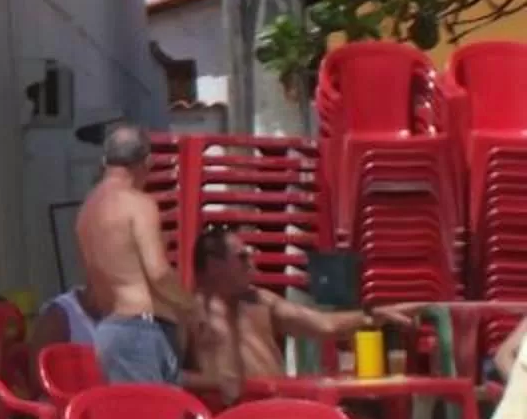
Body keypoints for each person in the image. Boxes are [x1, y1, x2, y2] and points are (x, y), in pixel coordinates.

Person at [184, 226, 420, 391]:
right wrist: (215, 382)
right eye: (242, 257)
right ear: (214, 265)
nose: (251, 264)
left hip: (275, 410)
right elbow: (168, 377)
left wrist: (372, 316)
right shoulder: (188, 312)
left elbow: (324, 325)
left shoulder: (259, 301)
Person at [75, 127, 201, 386]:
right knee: (153, 413)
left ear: (105, 161)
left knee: (134, 411)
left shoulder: (86, 210)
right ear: (148, 162)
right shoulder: (138, 204)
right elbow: (159, 273)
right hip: (140, 329)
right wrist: (190, 307)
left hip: (109, 331)